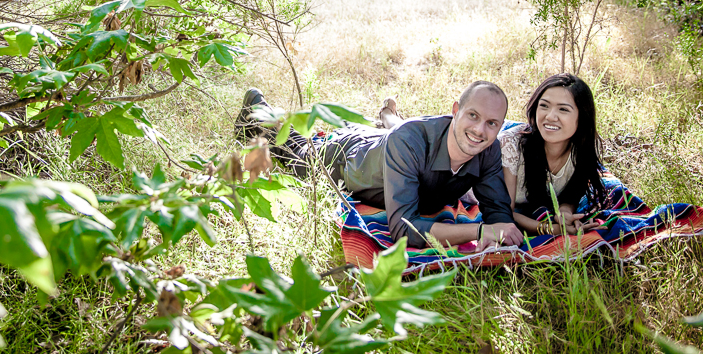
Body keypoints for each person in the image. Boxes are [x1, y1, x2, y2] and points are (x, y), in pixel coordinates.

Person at [236, 81, 524, 250]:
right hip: (348, 160)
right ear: (455, 110)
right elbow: (403, 229)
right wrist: (479, 232)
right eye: (473, 115)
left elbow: (499, 213)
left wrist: (500, 229)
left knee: (391, 134)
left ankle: (385, 116)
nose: (480, 130)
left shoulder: (488, 150)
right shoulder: (410, 141)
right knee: (300, 155)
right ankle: (257, 110)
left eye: (492, 123)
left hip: (387, 143)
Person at [496, 73, 606, 237]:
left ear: (582, 116)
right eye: (544, 106)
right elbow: (502, 213)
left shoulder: (583, 147)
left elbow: (572, 193)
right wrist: (552, 229)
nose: (550, 116)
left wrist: (565, 213)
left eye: (563, 109)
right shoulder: (510, 146)